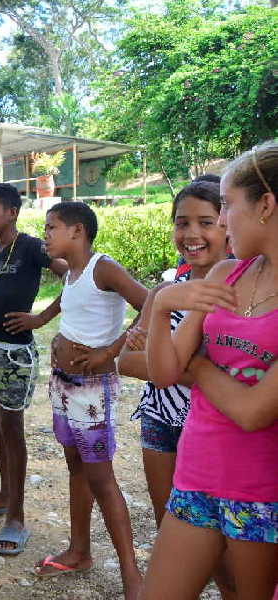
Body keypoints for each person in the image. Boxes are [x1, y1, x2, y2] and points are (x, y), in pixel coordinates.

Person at [142, 141, 278, 600]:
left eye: (226, 205)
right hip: (196, 477)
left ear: (265, 206)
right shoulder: (225, 275)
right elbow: (163, 374)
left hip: (263, 493)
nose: (221, 221)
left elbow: (252, 411)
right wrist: (161, 306)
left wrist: (197, 367)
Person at [19, 202, 147, 599]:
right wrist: (43, 322)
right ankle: (79, 551)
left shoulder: (103, 267)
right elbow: (69, 301)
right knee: (76, 466)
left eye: (51, 227)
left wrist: (110, 352)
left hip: (93, 390)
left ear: (77, 231)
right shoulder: (72, 271)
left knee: (102, 479)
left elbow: (150, 304)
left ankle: (132, 578)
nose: (45, 235)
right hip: (64, 383)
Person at [0, 183, 67, 557]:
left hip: (16, 355)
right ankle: (5, 495)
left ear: (12, 213)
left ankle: (17, 517)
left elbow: (75, 274)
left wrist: (40, 318)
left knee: (12, 428)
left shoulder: (32, 247)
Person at [118, 182, 229, 527]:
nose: (191, 233)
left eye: (206, 222)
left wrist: (163, 357)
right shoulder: (164, 293)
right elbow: (126, 362)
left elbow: (239, 376)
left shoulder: (238, 295)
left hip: (215, 427)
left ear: (228, 224)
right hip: (160, 420)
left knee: (223, 536)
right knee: (169, 524)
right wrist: (199, 367)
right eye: (182, 223)